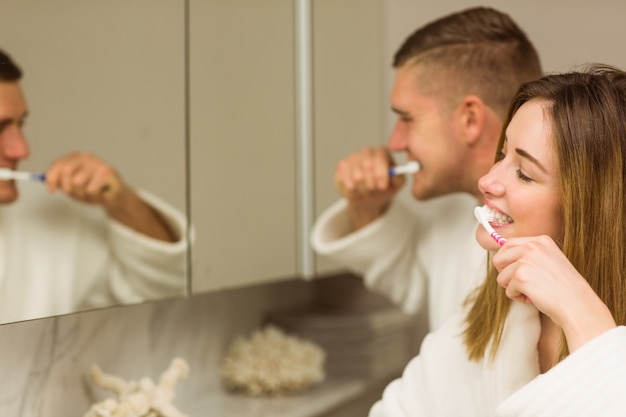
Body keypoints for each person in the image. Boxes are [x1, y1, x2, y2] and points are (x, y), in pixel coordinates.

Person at [370, 64, 626, 417]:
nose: (487, 181)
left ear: (590, 209)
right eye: (503, 155)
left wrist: (585, 321)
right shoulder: (489, 320)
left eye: (524, 173)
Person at [311, 7, 543, 331]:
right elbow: (414, 280)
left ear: (470, 120)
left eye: (407, 118)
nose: (395, 142)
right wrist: (366, 208)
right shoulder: (455, 218)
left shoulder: (553, 246)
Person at [0, 48, 189, 323]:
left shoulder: (46, 215)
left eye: (21, 125)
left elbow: (158, 290)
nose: (21, 150)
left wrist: (123, 203)